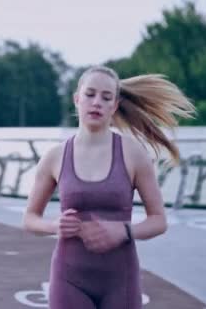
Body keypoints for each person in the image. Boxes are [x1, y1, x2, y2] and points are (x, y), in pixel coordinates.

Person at [22, 66, 195, 309]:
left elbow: (159, 220)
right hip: (68, 278)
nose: (97, 103)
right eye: (90, 94)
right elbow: (30, 218)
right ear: (77, 99)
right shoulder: (55, 156)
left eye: (106, 97)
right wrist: (54, 226)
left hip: (120, 281)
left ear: (114, 106)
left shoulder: (133, 153)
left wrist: (124, 231)